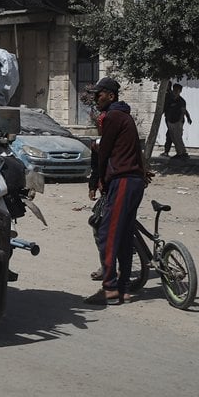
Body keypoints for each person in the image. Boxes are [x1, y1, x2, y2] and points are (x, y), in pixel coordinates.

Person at [84, 77, 147, 306]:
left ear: (111, 96)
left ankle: (110, 288)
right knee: (123, 236)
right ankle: (124, 290)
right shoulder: (124, 116)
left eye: (99, 95)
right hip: (134, 182)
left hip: (123, 181)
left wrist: (96, 181)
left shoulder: (112, 117)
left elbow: (105, 153)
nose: (96, 99)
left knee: (107, 234)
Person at [162, 83, 192, 159]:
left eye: (177, 90)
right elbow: (165, 108)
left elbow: (183, 111)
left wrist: (181, 120)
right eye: (174, 90)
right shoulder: (169, 99)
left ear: (180, 91)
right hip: (170, 121)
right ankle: (179, 153)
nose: (175, 91)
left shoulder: (181, 101)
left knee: (178, 137)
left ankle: (183, 153)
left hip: (178, 122)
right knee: (173, 137)